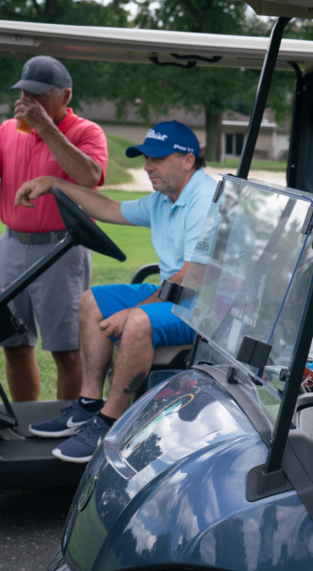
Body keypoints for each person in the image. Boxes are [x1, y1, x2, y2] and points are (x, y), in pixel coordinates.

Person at [15, 120, 217, 463]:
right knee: (93, 300)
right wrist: (54, 184)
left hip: (205, 307)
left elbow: (192, 277)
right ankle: (89, 404)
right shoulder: (164, 199)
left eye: (157, 159)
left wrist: (134, 310)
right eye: (145, 158)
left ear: (187, 160)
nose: (147, 166)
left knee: (137, 321)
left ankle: (111, 422)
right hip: (176, 295)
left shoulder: (204, 196)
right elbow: (108, 208)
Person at [0, 56, 108, 402]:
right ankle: (25, 423)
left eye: (41, 95)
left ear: (65, 96)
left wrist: (46, 128)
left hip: (61, 249)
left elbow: (89, 176)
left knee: (65, 349)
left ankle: (62, 425)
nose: (30, 103)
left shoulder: (87, 131)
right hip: (12, 245)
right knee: (13, 344)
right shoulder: (6, 131)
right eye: (25, 94)